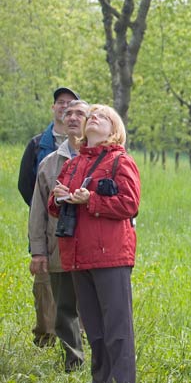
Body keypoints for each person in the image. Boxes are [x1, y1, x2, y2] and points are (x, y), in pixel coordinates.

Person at [49, 104, 141, 383]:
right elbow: (54, 207)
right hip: (78, 256)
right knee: (95, 332)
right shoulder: (72, 164)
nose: (93, 118)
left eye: (102, 116)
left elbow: (130, 204)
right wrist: (59, 197)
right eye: (92, 116)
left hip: (111, 256)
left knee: (118, 331)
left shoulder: (120, 161)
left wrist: (92, 200)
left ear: (114, 129)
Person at [28, 100, 88, 372]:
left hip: (93, 248)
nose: (72, 117)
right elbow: (38, 211)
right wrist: (38, 251)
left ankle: (99, 358)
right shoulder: (50, 163)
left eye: (79, 113)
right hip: (58, 246)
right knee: (63, 308)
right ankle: (73, 362)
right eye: (68, 113)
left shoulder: (105, 159)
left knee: (94, 305)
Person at [18, 86, 79, 348]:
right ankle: (45, 338)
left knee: (75, 288)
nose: (66, 108)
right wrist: (47, 212)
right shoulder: (38, 145)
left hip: (78, 232)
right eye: (61, 103)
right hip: (45, 224)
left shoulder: (92, 149)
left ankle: (76, 340)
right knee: (45, 285)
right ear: (54, 108)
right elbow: (26, 185)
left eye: (72, 105)